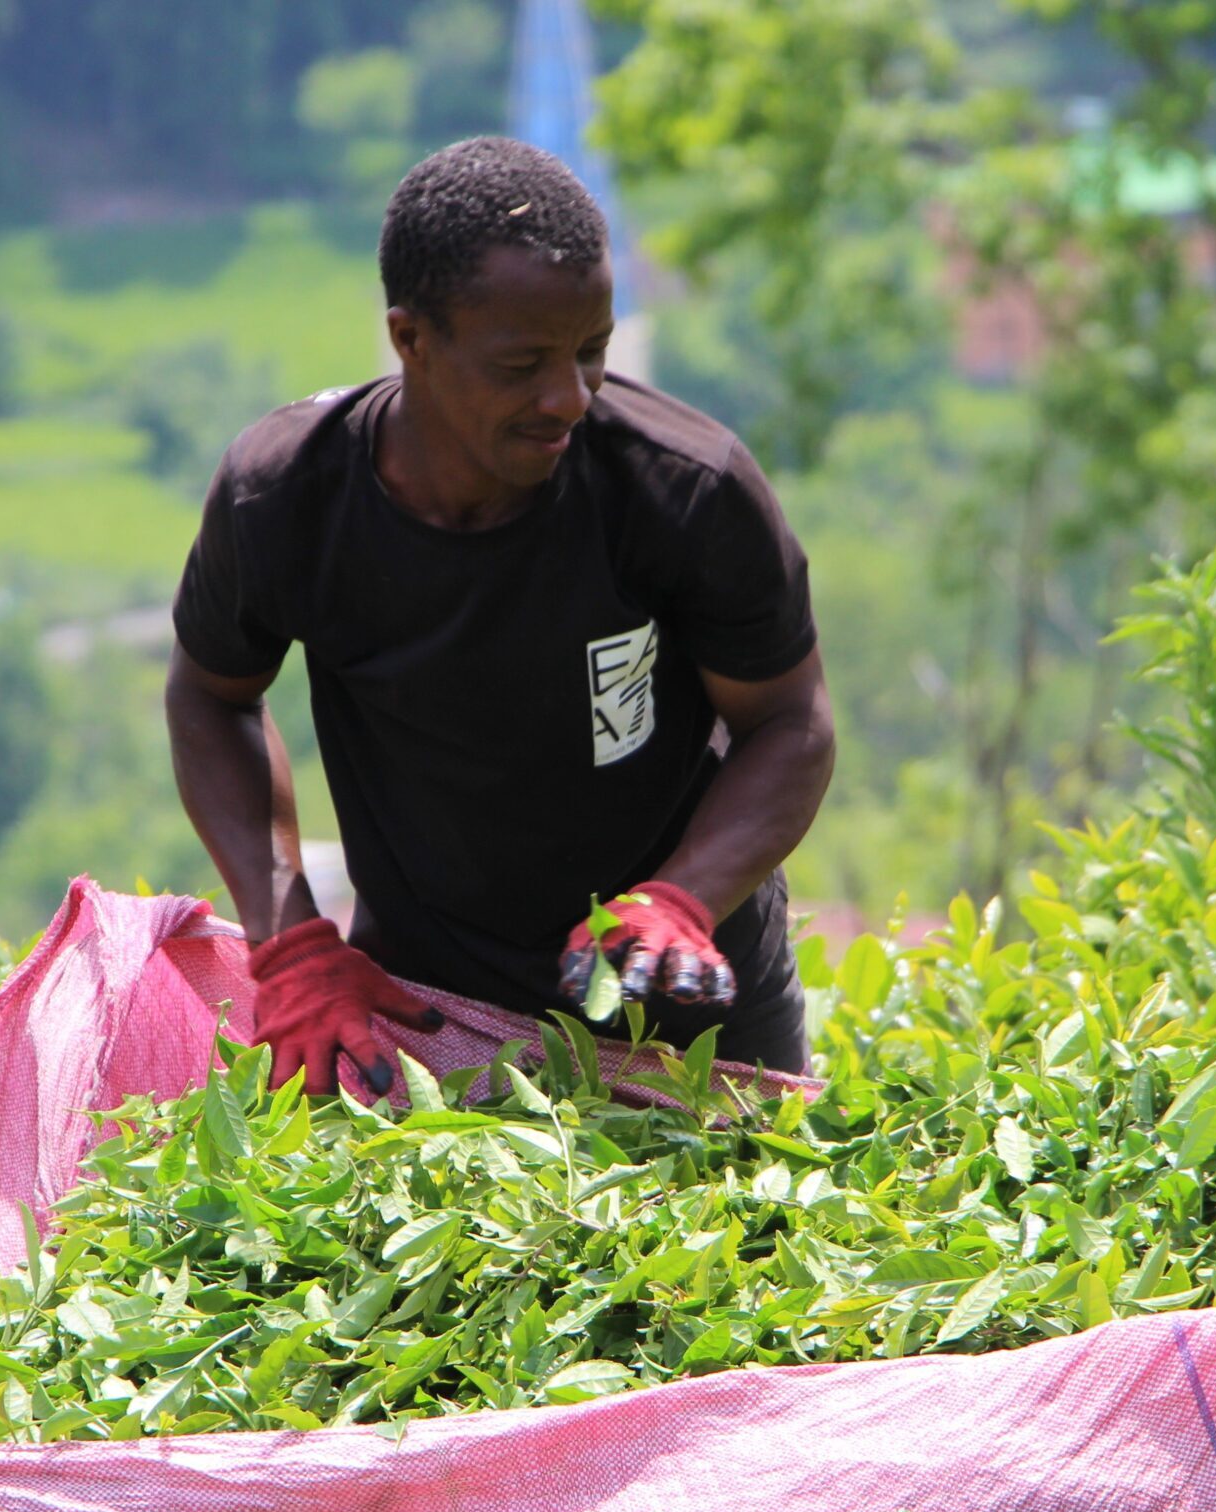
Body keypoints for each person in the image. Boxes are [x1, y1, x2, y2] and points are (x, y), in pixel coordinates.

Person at [165, 136, 834, 1093]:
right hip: (430, 1009)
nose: (568, 396)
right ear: (411, 340)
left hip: (683, 1012)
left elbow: (791, 721)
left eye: (591, 351)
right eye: (523, 364)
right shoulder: (285, 500)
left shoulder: (683, 490)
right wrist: (289, 941)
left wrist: (684, 897)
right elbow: (210, 697)